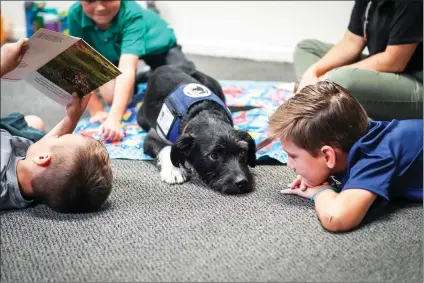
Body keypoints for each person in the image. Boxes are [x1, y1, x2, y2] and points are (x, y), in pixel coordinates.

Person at [267, 81, 422, 232]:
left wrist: (321, 191)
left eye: (293, 156)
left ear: (328, 156)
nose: (288, 164)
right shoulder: (365, 137)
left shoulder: (376, 156)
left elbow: (337, 219)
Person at [1, 39, 113, 213]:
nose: (59, 134)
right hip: (12, 145)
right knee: (34, 123)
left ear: (42, 158)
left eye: (61, 137)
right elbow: (50, 152)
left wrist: (2, 65)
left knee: (33, 126)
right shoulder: (34, 179)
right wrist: (71, 120)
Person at [68, 0, 195, 141]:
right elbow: (78, 63)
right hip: (114, 50)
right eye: (90, 0)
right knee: (112, 98)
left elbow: (127, 67)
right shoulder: (75, 14)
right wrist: (96, 109)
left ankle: (151, 73)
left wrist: (115, 118)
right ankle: (145, 76)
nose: (99, 7)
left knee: (183, 80)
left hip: (156, 44)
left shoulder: (132, 13)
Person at [293, 0, 423, 121]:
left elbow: (394, 61)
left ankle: (316, 103)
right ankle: (319, 101)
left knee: (341, 79)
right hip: (387, 70)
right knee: (307, 49)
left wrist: (326, 77)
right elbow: (351, 42)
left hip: (415, 81)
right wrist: (313, 72)